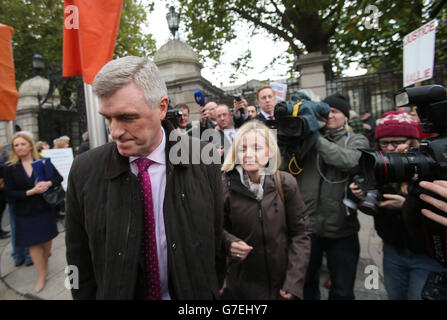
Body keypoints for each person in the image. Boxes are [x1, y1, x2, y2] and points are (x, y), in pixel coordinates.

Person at [65, 56, 224, 300]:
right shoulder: (84, 170)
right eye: (107, 118)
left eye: (127, 117)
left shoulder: (203, 157)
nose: (115, 132)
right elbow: (78, 259)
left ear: (161, 108)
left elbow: (215, 239)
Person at [350, 110, 446, 300]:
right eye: (385, 143)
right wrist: (360, 194)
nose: (392, 148)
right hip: (393, 250)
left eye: (398, 141)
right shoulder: (379, 167)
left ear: (414, 142)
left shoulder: (432, 170)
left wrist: (406, 205)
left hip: (425, 255)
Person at [221, 120, 311, 299]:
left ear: (269, 151)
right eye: (243, 149)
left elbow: (301, 234)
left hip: (281, 287)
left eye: (257, 148)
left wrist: (293, 281)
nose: (249, 154)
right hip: (241, 289)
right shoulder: (224, 186)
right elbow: (213, 229)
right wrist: (228, 242)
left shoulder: (285, 183)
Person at [300, 92, 370, 300]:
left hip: (342, 229)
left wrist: (317, 140)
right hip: (308, 227)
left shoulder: (356, 140)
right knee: (305, 285)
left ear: (346, 116)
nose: (330, 116)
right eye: (326, 112)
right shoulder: (308, 140)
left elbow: (350, 161)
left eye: (336, 112)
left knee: (342, 290)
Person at [3, 132, 62, 293]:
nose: (19, 147)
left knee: (47, 241)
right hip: (25, 212)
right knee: (33, 244)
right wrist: (31, 191)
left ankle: (45, 263)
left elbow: (58, 178)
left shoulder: (42, 162)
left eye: (23, 144)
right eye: (16, 145)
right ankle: (41, 275)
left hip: (44, 209)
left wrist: (48, 183)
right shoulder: (9, 168)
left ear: (30, 145)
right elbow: (9, 193)